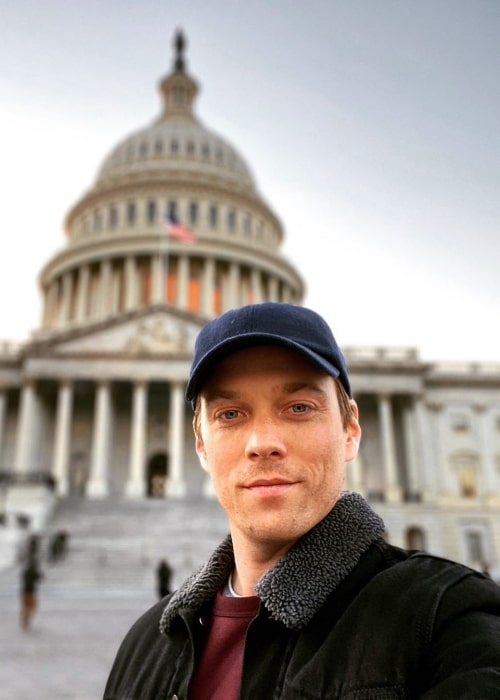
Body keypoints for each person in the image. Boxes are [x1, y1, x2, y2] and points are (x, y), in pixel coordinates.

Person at [104, 302, 500, 699]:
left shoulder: (448, 620)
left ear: (350, 430)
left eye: (298, 408)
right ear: (201, 447)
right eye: (230, 414)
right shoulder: (143, 646)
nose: (262, 444)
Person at [20, 558, 43, 630]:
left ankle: (25, 622)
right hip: (31, 592)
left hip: (24, 591)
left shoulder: (26, 572)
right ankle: (25, 622)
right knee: (31, 607)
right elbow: (39, 578)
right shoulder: (34, 572)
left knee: (26, 607)